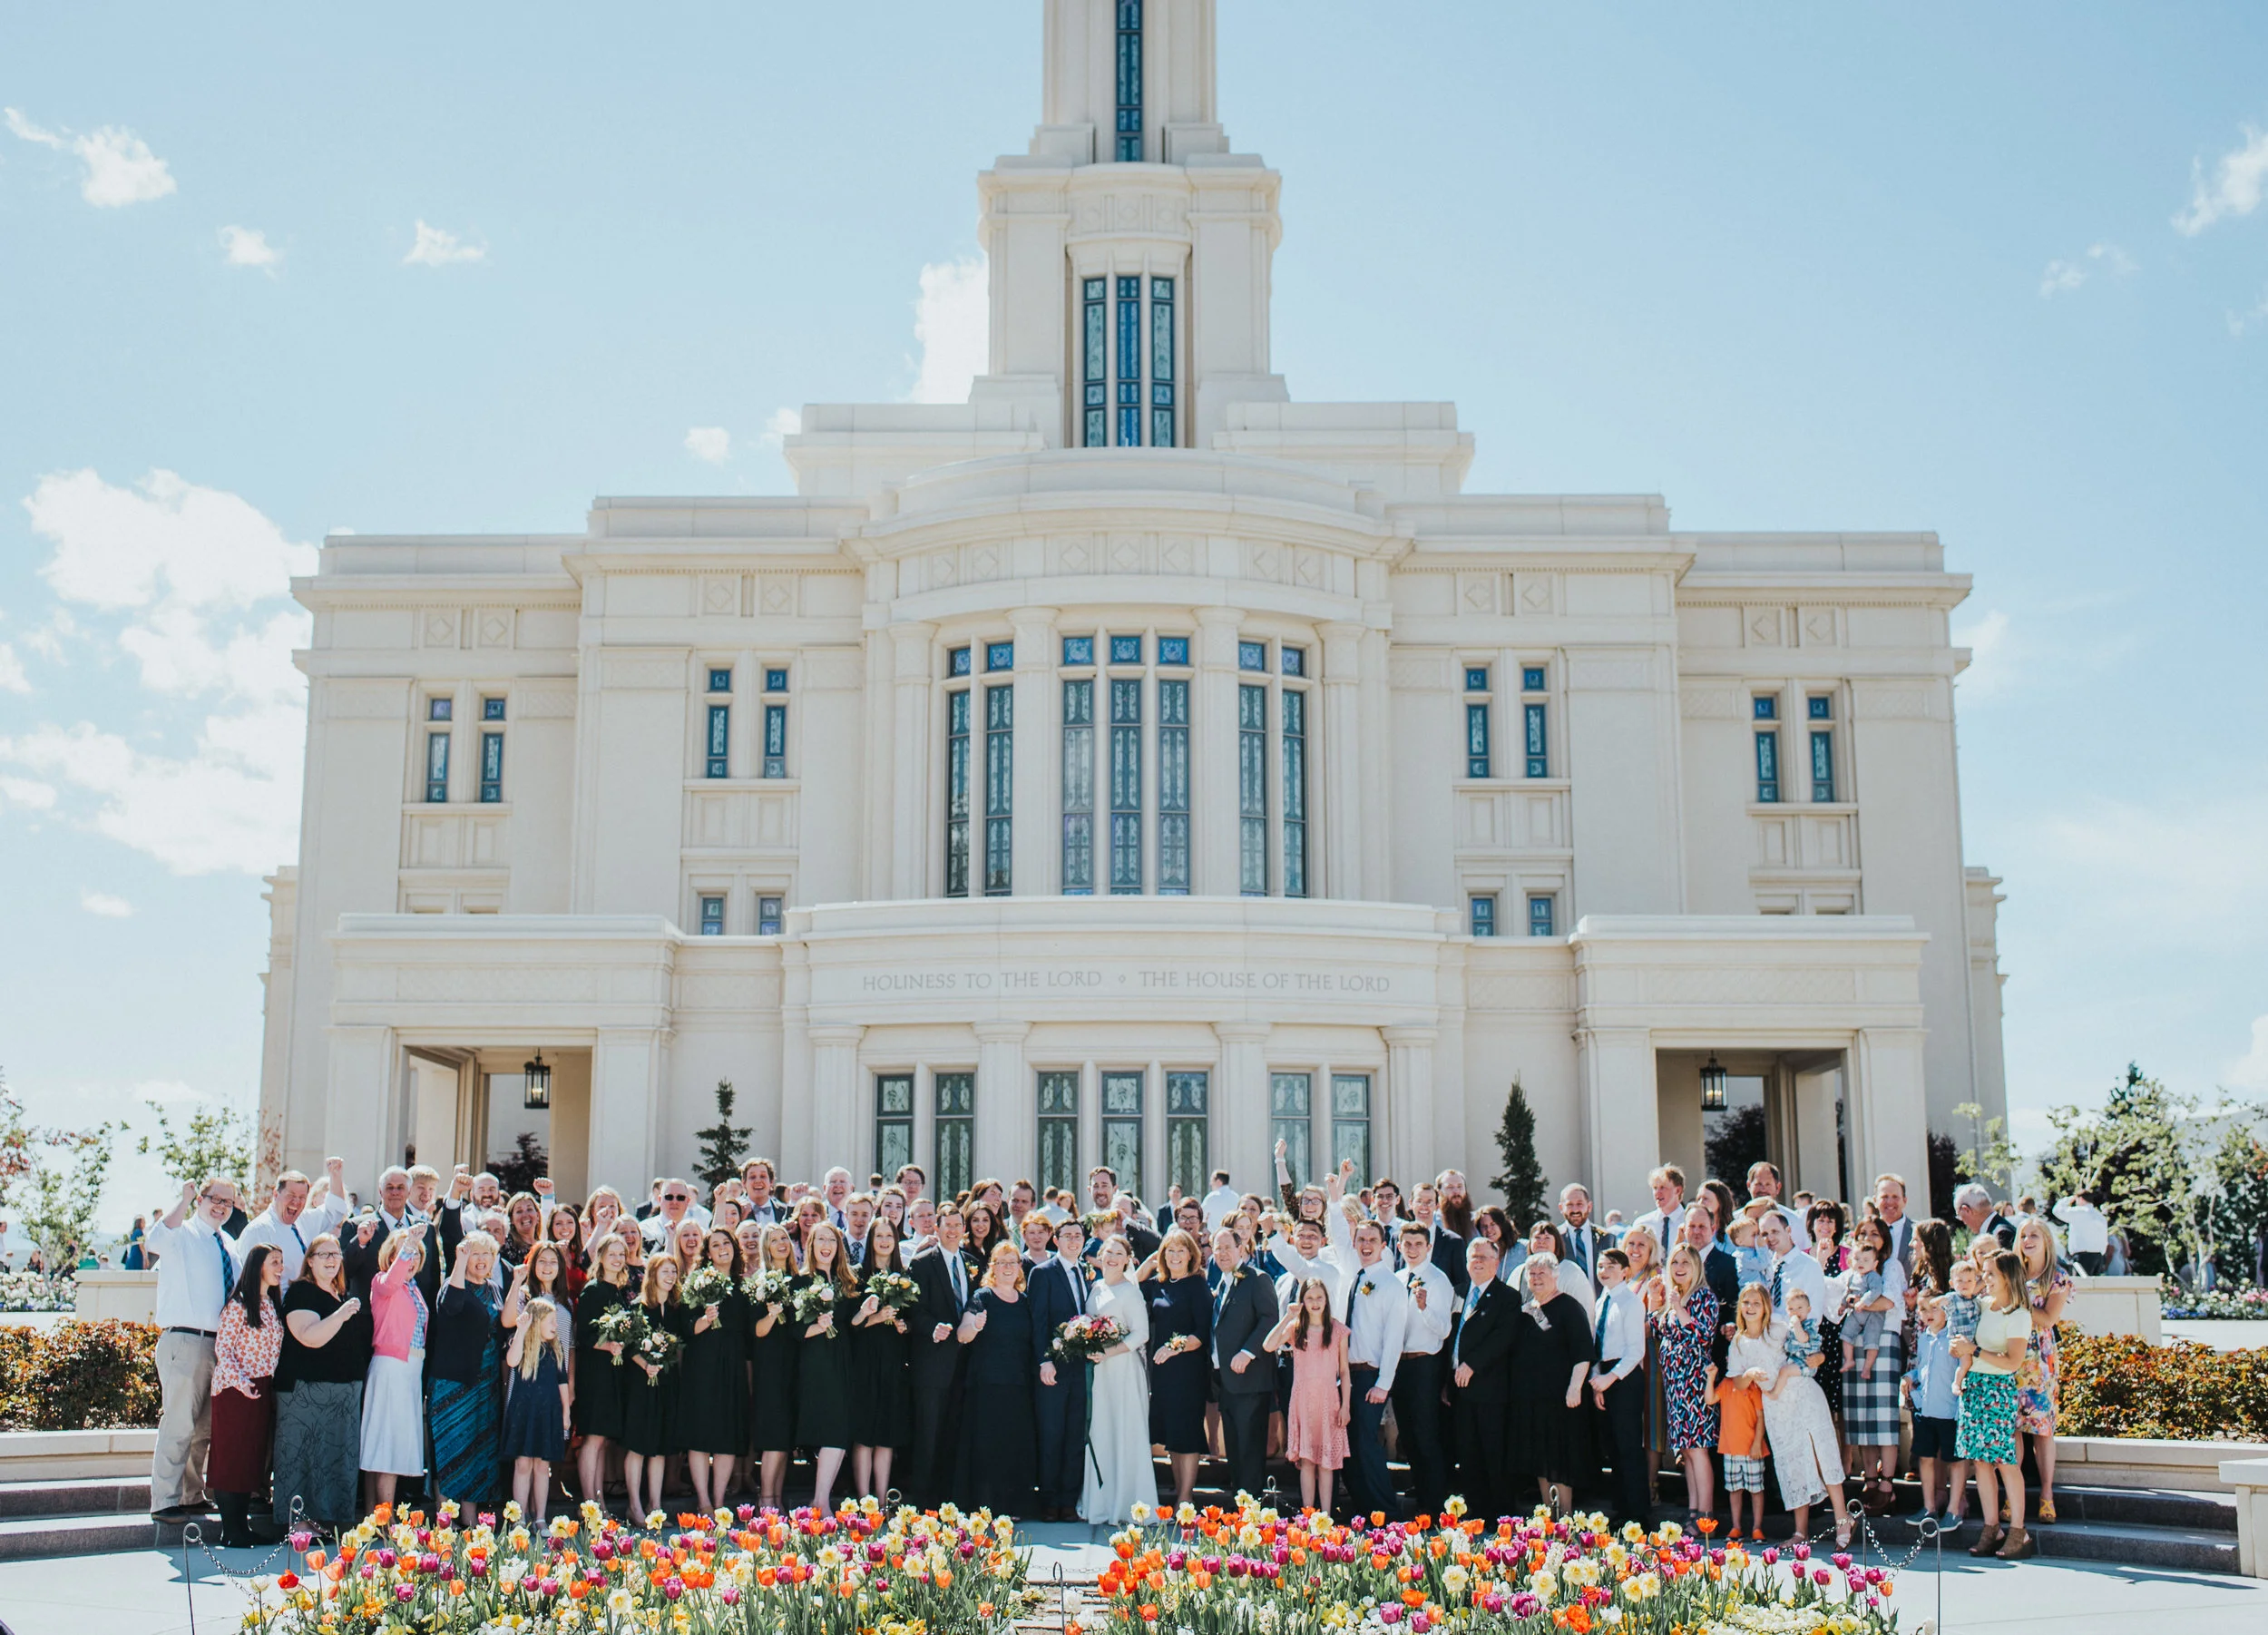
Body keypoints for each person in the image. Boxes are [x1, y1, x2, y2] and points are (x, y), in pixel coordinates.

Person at [145, 1174, 245, 1524]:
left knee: (203, 1428)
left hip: (219, 1345)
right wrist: (184, 1199)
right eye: (214, 1199)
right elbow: (155, 1239)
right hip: (186, 1340)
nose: (221, 1207)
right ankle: (164, 1500)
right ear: (200, 1200)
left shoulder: (229, 1244)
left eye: (227, 1202)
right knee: (178, 1423)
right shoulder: (181, 1233)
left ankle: (191, 1495)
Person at [1742, 1281, 1853, 1547]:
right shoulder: (1740, 1340)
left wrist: (1820, 1357)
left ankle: (1843, 1520)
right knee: (1793, 1463)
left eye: (1758, 1303)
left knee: (1822, 1455)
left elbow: (1812, 1348)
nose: (1753, 1308)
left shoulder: (1782, 1327)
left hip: (1804, 1394)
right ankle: (1800, 1532)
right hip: (1778, 1406)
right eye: (1748, 1303)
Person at [273, 1232, 369, 1534]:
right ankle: (299, 1525)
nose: (331, 1260)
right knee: (301, 1458)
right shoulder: (301, 1292)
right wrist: (341, 1315)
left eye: (335, 1254)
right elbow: (309, 1336)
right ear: (310, 1261)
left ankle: (326, 1523)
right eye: (324, 1254)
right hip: (306, 1392)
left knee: (331, 1459)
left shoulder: (341, 1294)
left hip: (342, 1394)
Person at [1955, 1248, 2036, 1559]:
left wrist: (1974, 1350)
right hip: (1975, 1386)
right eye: (1985, 1272)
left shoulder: (2019, 1314)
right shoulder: (1983, 1305)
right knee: (1980, 1460)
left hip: (1998, 1389)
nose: (1985, 1278)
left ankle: (2018, 1531)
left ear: (2007, 1277)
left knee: (2004, 1461)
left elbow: (2013, 1361)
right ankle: (1992, 1528)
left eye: (1991, 1274)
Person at [208, 1244, 286, 1548]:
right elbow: (223, 1350)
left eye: (281, 1262)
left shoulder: (271, 1305)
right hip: (235, 1389)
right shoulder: (238, 1305)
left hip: (262, 1388)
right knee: (232, 1457)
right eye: (274, 1262)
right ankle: (231, 1529)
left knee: (250, 1459)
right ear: (258, 1266)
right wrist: (242, 1383)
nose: (280, 1268)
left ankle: (243, 1527)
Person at [1080, 1233, 1160, 1523]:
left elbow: (1141, 1334)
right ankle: (1101, 1503)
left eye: (1118, 1253)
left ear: (1128, 1260)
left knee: (1125, 1432)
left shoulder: (1130, 1291)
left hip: (1123, 1370)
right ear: (1100, 1257)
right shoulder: (1096, 1288)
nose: (1112, 1258)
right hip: (1100, 1372)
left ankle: (1128, 1504)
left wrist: (1108, 1351)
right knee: (1101, 1432)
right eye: (1108, 1252)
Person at [1506, 1251, 1594, 1516]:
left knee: (1559, 1461)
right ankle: (1548, 1517)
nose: (1536, 1278)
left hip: (1561, 1399)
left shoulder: (1569, 1307)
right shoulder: (1526, 1310)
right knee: (1540, 1461)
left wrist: (1575, 1387)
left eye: (1542, 1273)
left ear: (1555, 1276)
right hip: (1531, 1400)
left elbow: (1583, 1352)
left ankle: (1564, 1519)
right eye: (1532, 1274)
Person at [956, 1240, 1039, 1516]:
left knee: (1013, 1444)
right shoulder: (983, 1297)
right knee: (988, 1445)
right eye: (1001, 1262)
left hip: (1018, 1385)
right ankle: (986, 1505)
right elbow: (962, 1335)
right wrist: (975, 1326)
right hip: (987, 1384)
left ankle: (1012, 1506)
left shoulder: (1025, 1301)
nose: (1007, 1267)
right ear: (993, 1267)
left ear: (1020, 1267)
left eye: (1011, 1262)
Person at [429, 1229, 507, 1505]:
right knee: (452, 1446)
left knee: (478, 1448)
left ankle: (471, 1516)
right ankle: (446, 1517)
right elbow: (451, 1306)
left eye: (487, 1254)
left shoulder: (494, 1288)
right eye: (475, 1254)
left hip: (486, 1380)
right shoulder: (453, 1284)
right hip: (454, 1381)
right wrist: (460, 1261)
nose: (481, 1259)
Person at [1264, 1277, 1351, 1517]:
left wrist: (1346, 1405)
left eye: (1319, 1297)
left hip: (1328, 1401)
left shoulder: (1337, 1330)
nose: (1315, 1302)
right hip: (1303, 1402)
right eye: (1309, 1298)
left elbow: (1344, 1370)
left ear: (1326, 1300)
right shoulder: (1296, 1329)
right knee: (1307, 1461)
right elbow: (1268, 1345)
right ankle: (1308, 1515)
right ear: (1302, 1301)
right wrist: (1287, 1317)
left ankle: (1326, 1516)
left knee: (1326, 1463)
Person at [904, 1205, 973, 1508]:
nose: (953, 1230)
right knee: (928, 1434)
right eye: (948, 1225)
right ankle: (923, 1501)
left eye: (958, 1225)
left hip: (965, 1363)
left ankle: (950, 1498)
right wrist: (932, 1328)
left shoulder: (971, 1264)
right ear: (937, 1228)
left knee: (954, 1433)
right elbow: (913, 1309)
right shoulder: (922, 1264)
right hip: (932, 1363)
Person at [1140, 1228, 1213, 1511]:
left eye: (1181, 1250)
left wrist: (1175, 1348)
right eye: (1170, 1250)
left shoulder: (1197, 1285)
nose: (1175, 1256)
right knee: (1172, 1434)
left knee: (1188, 1432)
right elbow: (1131, 1284)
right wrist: (1149, 1264)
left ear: (1191, 1255)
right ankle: (1179, 1493)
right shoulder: (1158, 1284)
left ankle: (1186, 1496)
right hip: (1163, 1373)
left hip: (1187, 1370)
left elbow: (1201, 1332)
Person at [358, 1224, 430, 1509]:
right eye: (405, 1253)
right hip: (391, 1367)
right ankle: (383, 1521)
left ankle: (375, 1516)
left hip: (410, 1369)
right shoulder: (382, 1282)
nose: (411, 1259)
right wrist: (408, 1244)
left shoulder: (414, 1288)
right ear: (391, 1257)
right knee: (385, 1445)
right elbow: (391, 1282)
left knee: (388, 1443)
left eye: (416, 1254)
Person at [1028, 1215, 1094, 1521]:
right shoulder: (1043, 1273)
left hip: (1081, 1368)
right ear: (1056, 1240)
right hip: (1053, 1368)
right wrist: (1044, 1360)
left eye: (1078, 1236)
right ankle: (1049, 1502)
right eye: (1067, 1236)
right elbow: (1038, 1321)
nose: (1073, 1241)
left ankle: (1069, 1500)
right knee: (1052, 1434)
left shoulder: (1086, 1272)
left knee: (1074, 1434)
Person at [679, 1225, 749, 1510]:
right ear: (707, 1253)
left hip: (733, 1364)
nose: (722, 1249)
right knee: (700, 1432)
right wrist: (706, 1320)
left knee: (726, 1434)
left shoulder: (743, 1287)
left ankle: (719, 1501)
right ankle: (703, 1500)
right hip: (702, 1363)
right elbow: (686, 1327)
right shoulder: (696, 1282)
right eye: (716, 1245)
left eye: (726, 1243)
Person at [1842, 1216, 1909, 1512]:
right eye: (1863, 1233)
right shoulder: (1854, 1268)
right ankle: (1869, 1480)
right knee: (1861, 1417)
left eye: (1875, 1233)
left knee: (1882, 1416)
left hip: (1883, 1340)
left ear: (1884, 1240)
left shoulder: (1890, 1266)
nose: (1868, 1237)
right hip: (1855, 1343)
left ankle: (1887, 1485)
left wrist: (1859, 1303)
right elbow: (1841, 1299)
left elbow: (1889, 1301)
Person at [1209, 1226, 1279, 1502]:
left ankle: (1251, 1510)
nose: (1222, 1253)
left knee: (1249, 1451)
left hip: (1250, 1381)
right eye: (1217, 1248)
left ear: (1241, 1249)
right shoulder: (1222, 1283)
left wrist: (1248, 1352)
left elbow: (1269, 1318)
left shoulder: (1257, 1279)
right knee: (1236, 1450)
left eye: (1228, 1247)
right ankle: (1240, 1507)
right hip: (1227, 1382)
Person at [1450, 1238, 1517, 1522]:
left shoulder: (1507, 1296)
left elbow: (1503, 1338)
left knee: (1494, 1454)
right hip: (1458, 1390)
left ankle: (1501, 1518)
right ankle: (1474, 1515)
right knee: (1467, 1454)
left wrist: (1472, 1365)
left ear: (1496, 1263)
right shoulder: (1458, 1292)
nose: (1477, 1262)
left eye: (1484, 1257)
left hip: (1490, 1389)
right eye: (1473, 1257)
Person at [794, 1220, 860, 1513]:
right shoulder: (801, 1281)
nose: (826, 1246)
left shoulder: (848, 1282)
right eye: (821, 1239)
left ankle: (820, 1500)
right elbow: (795, 1330)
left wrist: (868, 1311)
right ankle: (821, 1501)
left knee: (841, 1431)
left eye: (832, 1240)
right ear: (811, 1245)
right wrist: (818, 1327)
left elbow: (854, 1324)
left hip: (843, 1360)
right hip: (816, 1362)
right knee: (831, 1429)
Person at [1651, 1243, 1719, 1522]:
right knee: (1688, 1452)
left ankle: (1706, 1515)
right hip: (1675, 1386)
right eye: (1675, 1263)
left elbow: (1702, 1336)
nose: (1679, 1268)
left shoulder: (1703, 1297)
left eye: (1685, 1263)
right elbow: (1659, 1332)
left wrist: (1678, 1308)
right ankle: (1694, 1512)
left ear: (1696, 1267)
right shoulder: (1675, 1296)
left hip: (1694, 1384)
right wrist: (1656, 1303)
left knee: (1699, 1450)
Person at [1391, 1219, 1453, 1517]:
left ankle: (1436, 1503)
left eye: (1418, 1244)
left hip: (1425, 1364)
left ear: (1429, 1247)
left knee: (1426, 1434)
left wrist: (1424, 1308)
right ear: (1399, 1246)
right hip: (1399, 1364)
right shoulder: (1397, 1278)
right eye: (1407, 1244)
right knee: (1408, 1435)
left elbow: (1444, 1330)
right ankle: (1420, 1492)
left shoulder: (1438, 1280)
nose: (1412, 1249)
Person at [849, 1216, 914, 1503]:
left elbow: (912, 1319)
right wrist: (875, 1318)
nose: (885, 1241)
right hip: (865, 1360)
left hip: (893, 1361)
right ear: (871, 1241)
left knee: (887, 1433)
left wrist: (903, 1326)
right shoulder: (857, 1275)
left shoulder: (905, 1276)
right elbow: (850, 1324)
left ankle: (883, 1498)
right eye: (879, 1236)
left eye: (889, 1236)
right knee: (865, 1432)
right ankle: (865, 1500)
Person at [621, 1251, 689, 1518]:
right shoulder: (638, 1307)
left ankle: (655, 1505)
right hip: (642, 1382)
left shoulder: (676, 1309)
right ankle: (634, 1505)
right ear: (653, 1275)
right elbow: (628, 1344)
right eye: (665, 1271)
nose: (671, 1276)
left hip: (667, 1382)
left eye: (674, 1272)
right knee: (638, 1445)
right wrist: (645, 1365)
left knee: (660, 1447)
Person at [2014, 1216, 2072, 1524]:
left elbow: (2048, 1318)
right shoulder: (2013, 1272)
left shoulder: (2057, 1277)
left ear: (2047, 1241)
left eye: (2034, 1235)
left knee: (2042, 1428)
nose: (2028, 1241)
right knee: (2013, 1428)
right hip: (2011, 1354)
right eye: (2024, 1235)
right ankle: (2013, 1495)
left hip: (2039, 1359)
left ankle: (2047, 1494)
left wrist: (2019, 1301)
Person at [572, 1231, 634, 1513]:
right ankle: (589, 1504)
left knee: (602, 1440)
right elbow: (584, 1334)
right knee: (593, 1438)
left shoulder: (618, 1291)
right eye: (613, 1254)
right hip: (595, 1374)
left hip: (613, 1374)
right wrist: (607, 1345)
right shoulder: (593, 1290)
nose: (618, 1259)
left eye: (622, 1255)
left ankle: (599, 1504)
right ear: (601, 1257)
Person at [1588, 1246, 1649, 1528]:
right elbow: (1598, 1345)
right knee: (1612, 1447)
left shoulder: (1631, 1303)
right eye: (1601, 1266)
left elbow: (1635, 1351)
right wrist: (1597, 1383)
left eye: (1611, 1266)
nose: (1604, 1271)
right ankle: (1622, 1509)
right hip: (1605, 1376)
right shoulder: (1602, 1301)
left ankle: (1639, 1513)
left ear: (1625, 1271)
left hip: (1624, 1378)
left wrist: (1609, 1378)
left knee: (1628, 1446)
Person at [744, 1224, 801, 1510]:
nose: (781, 1243)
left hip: (795, 1365)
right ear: (766, 1247)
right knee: (774, 1436)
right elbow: (757, 1330)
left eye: (785, 1238)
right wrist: (771, 1314)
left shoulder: (798, 1280)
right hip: (770, 1365)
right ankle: (765, 1499)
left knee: (785, 1439)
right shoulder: (761, 1281)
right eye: (774, 1240)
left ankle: (777, 1499)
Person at [501, 1296, 571, 1524]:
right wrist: (521, 1330)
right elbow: (512, 1361)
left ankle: (540, 1518)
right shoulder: (520, 1342)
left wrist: (566, 1412)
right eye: (551, 1321)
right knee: (523, 1464)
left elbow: (562, 1381)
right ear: (537, 1321)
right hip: (524, 1413)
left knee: (542, 1465)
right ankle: (520, 1518)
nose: (555, 1325)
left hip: (547, 1413)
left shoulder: (555, 1348)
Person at [1903, 1286, 1963, 1530]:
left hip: (1949, 1411)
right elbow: (1923, 1369)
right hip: (1926, 1410)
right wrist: (1909, 1377)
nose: (1928, 1314)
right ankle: (1928, 1507)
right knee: (1926, 1458)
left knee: (1955, 1461)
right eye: (1922, 1309)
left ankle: (1954, 1509)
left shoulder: (1954, 1338)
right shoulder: (1924, 1338)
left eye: (1933, 1308)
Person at [235, 1160, 351, 1284]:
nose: (296, 1202)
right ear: (276, 1194)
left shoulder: (304, 1220)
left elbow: (335, 1211)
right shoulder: (259, 1230)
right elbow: (250, 1281)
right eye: (291, 1195)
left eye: (302, 1197)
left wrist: (335, 1175)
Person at [1713, 1293, 1768, 1543]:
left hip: (1752, 1448)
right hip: (1730, 1448)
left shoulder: (1753, 1387)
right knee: (1734, 1489)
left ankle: (1757, 1527)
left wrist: (1757, 1442)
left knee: (1756, 1489)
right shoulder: (1726, 1385)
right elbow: (1710, 1399)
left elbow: (1760, 1416)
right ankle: (1736, 1527)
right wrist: (1709, 1377)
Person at [1630, 1166, 1687, 1255]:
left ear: (1678, 1190)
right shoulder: (1643, 1223)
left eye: (1663, 1188)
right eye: (1655, 1188)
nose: (1657, 1193)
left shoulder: (1690, 1224)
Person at [2052, 1190, 2108, 1277]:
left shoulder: (2079, 1211)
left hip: (2083, 1256)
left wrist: (2069, 1199)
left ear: (2081, 1199)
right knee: (2095, 1284)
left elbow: (2057, 1210)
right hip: (2099, 1256)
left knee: (2080, 1283)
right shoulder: (2100, 1216)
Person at [1558, 1183, 1605, 1286]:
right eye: (1570, 1205)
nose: (1575, 1210)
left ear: (1589, 1206)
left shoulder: (1606, 1237)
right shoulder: (1555, 1239)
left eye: (1579, 1204)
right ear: (1561, 1208)